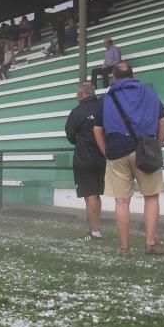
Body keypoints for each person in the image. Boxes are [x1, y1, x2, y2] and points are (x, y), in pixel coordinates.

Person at [93, 62, 164, 256]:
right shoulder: (149, 92)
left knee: (122, 201)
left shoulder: (107, 97)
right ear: (132, 76)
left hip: (116, 150)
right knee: (151, 197)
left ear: (114, 78)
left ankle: (124, 248)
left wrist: (106, 152)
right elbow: (163, 120)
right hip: (145, 148)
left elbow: (97, 129)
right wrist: (157, 147)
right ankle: (150, 243)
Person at [65, 81, 106, 242]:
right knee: (96, 194)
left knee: (90, 195)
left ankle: (95, 233)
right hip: (102, 157)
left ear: (82, 94)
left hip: (84, 158)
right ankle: (96, 230)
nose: (76, 96)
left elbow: (70, 135)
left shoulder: (76, 112)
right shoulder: (103, 107)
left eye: (77, 93)